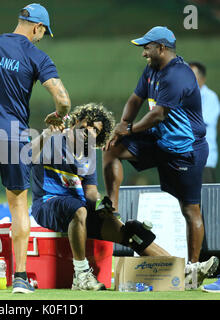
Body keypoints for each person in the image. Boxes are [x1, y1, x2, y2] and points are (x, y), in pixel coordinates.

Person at [0, 3, 71, 295]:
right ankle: (20, 278)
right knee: (17, 204)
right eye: (43, 32)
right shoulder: (36, 55)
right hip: (12, 136)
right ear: (37, 27)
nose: (42, 37)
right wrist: (59, 116)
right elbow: (63, 98)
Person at [101, 26, 219, 289]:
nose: (144, 53)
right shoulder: (152, 69)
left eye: (147, 47)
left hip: (184, 149)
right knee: (112, 149)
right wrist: (122, 125)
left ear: (162, 48)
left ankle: (193, 268)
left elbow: (158, 114)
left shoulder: (178, 75)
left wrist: (129, 129)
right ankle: (111, 211)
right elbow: (135, 99)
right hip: (158, 138)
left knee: (190, 209)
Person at [30, 102, 172, 290]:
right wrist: (47, 133)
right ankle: (81, 275)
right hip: (47, 204)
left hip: (78, 211)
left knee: (131, 231)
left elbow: (90, 191)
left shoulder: (88, 155)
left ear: (98, 137)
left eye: (95, 129)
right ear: (75, 122)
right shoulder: (54, 140)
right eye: (86, 124)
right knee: (78, 209)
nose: (88, 129)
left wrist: (101, 205)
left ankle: (178, 268)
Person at [189, 61, 220, 183]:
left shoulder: (210, 97)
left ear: (202, 79)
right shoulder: (183, 97)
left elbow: (200, 124)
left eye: (192, 76)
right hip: (185, 159)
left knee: (206, 199)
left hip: (204, 160)